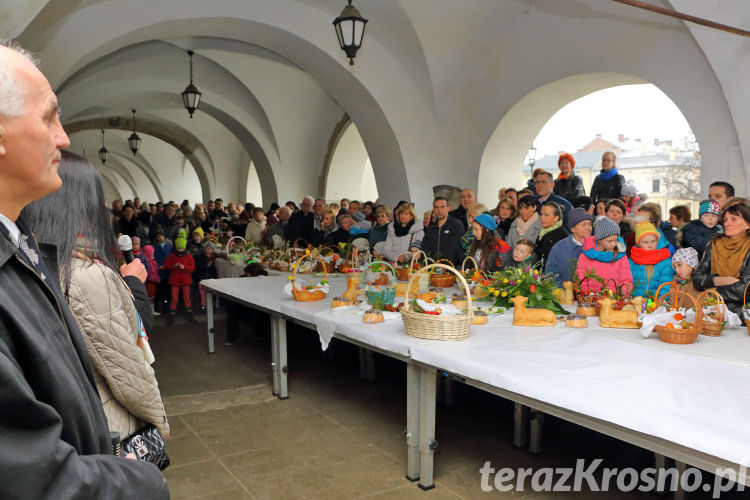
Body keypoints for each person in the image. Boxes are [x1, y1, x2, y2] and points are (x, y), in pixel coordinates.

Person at [0, 41, 168, 498]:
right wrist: (144, 474)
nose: (63, 137)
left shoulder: (23, 250)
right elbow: (32, 476)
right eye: (49, 117)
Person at [21, 151, 170, 452]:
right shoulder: (84, 276)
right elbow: (127, 370)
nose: (103, 208)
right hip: (107, 429)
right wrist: (160, 423)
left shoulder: (33, 261)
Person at [693, 200, 750, 320]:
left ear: (747, 224)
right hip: (713, 313)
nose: (727, 223)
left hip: (742, 315)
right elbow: (697, 278)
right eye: (725, 220)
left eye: (733, 219)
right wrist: (718, 280)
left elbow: (744, 290)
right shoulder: (715, 244)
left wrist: (712, 290)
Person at [576, 218, 632, 295]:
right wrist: (587, 296)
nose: (614, 244)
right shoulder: (586, 255)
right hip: (591, 302)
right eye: (610, 241)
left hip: (614, 302)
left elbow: (626, 280)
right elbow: (581, 278)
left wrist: (621, 296)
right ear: (599, 240)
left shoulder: (621, 256)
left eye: (616, 240)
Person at [545, 208, 593, 286]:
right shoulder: (559, 248)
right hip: (564, 295)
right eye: (584, 224)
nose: (588, 228)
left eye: (589, 224)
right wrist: (566, 290)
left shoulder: (597, 246)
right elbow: (549, 275)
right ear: (572, 228)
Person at [629, 221, 674, 298]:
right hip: (633, 303)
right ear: (638, 243)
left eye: (653, 241)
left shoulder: (665, 261)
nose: (650, 245)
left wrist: (657, 304)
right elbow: (627, 283)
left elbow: (665, 287)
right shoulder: (632, 260)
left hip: (654, 305)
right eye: (645, 242)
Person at [421, 197, 465, 265]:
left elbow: (459, 248)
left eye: (442, 207)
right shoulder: (431, 229)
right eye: (436, 207)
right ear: (433, 209)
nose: (439, 210)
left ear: (448, 208)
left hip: (451, 269)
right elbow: (425, 249)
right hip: (432, 270)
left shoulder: (457, 225)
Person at [534, 201, 569, 266]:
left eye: (546, 215)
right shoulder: (543, 231)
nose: (542, 217)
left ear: (556, 218)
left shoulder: (562, 235)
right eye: (541, 214)